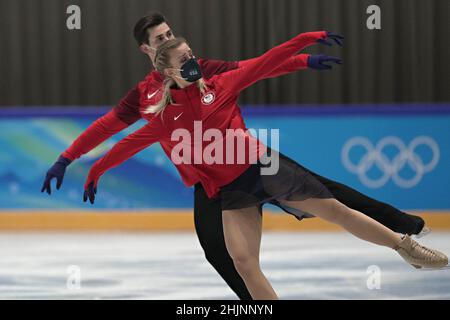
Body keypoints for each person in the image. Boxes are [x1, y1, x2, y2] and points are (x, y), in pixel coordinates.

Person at [42, 12, 427, 300]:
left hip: (251, 161)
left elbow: (256, 67)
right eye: (161, 39)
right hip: (211, 183)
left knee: (332, 197)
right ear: (148, 50)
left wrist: (304, 56)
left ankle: (402, 231)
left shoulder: (206, 73)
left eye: (171, 34)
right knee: (224, 254)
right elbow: (113, 134)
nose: (171, 41)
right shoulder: (147, 100)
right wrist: (72, 160)